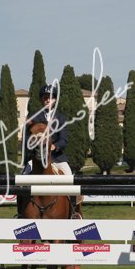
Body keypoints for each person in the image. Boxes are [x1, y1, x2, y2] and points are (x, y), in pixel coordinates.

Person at [15, 84, 81, 217]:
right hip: (37, 159)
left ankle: (73, 212)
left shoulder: (61, 118)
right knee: (22, 180)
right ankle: (20, 213)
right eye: (45, 97)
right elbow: (26, 138)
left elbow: (63, 139)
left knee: (70, 177)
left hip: (57, 159)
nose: (47, 100)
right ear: (41, 99)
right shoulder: (33, 117)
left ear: (55, 100)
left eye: (50, 97)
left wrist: (54, 146)